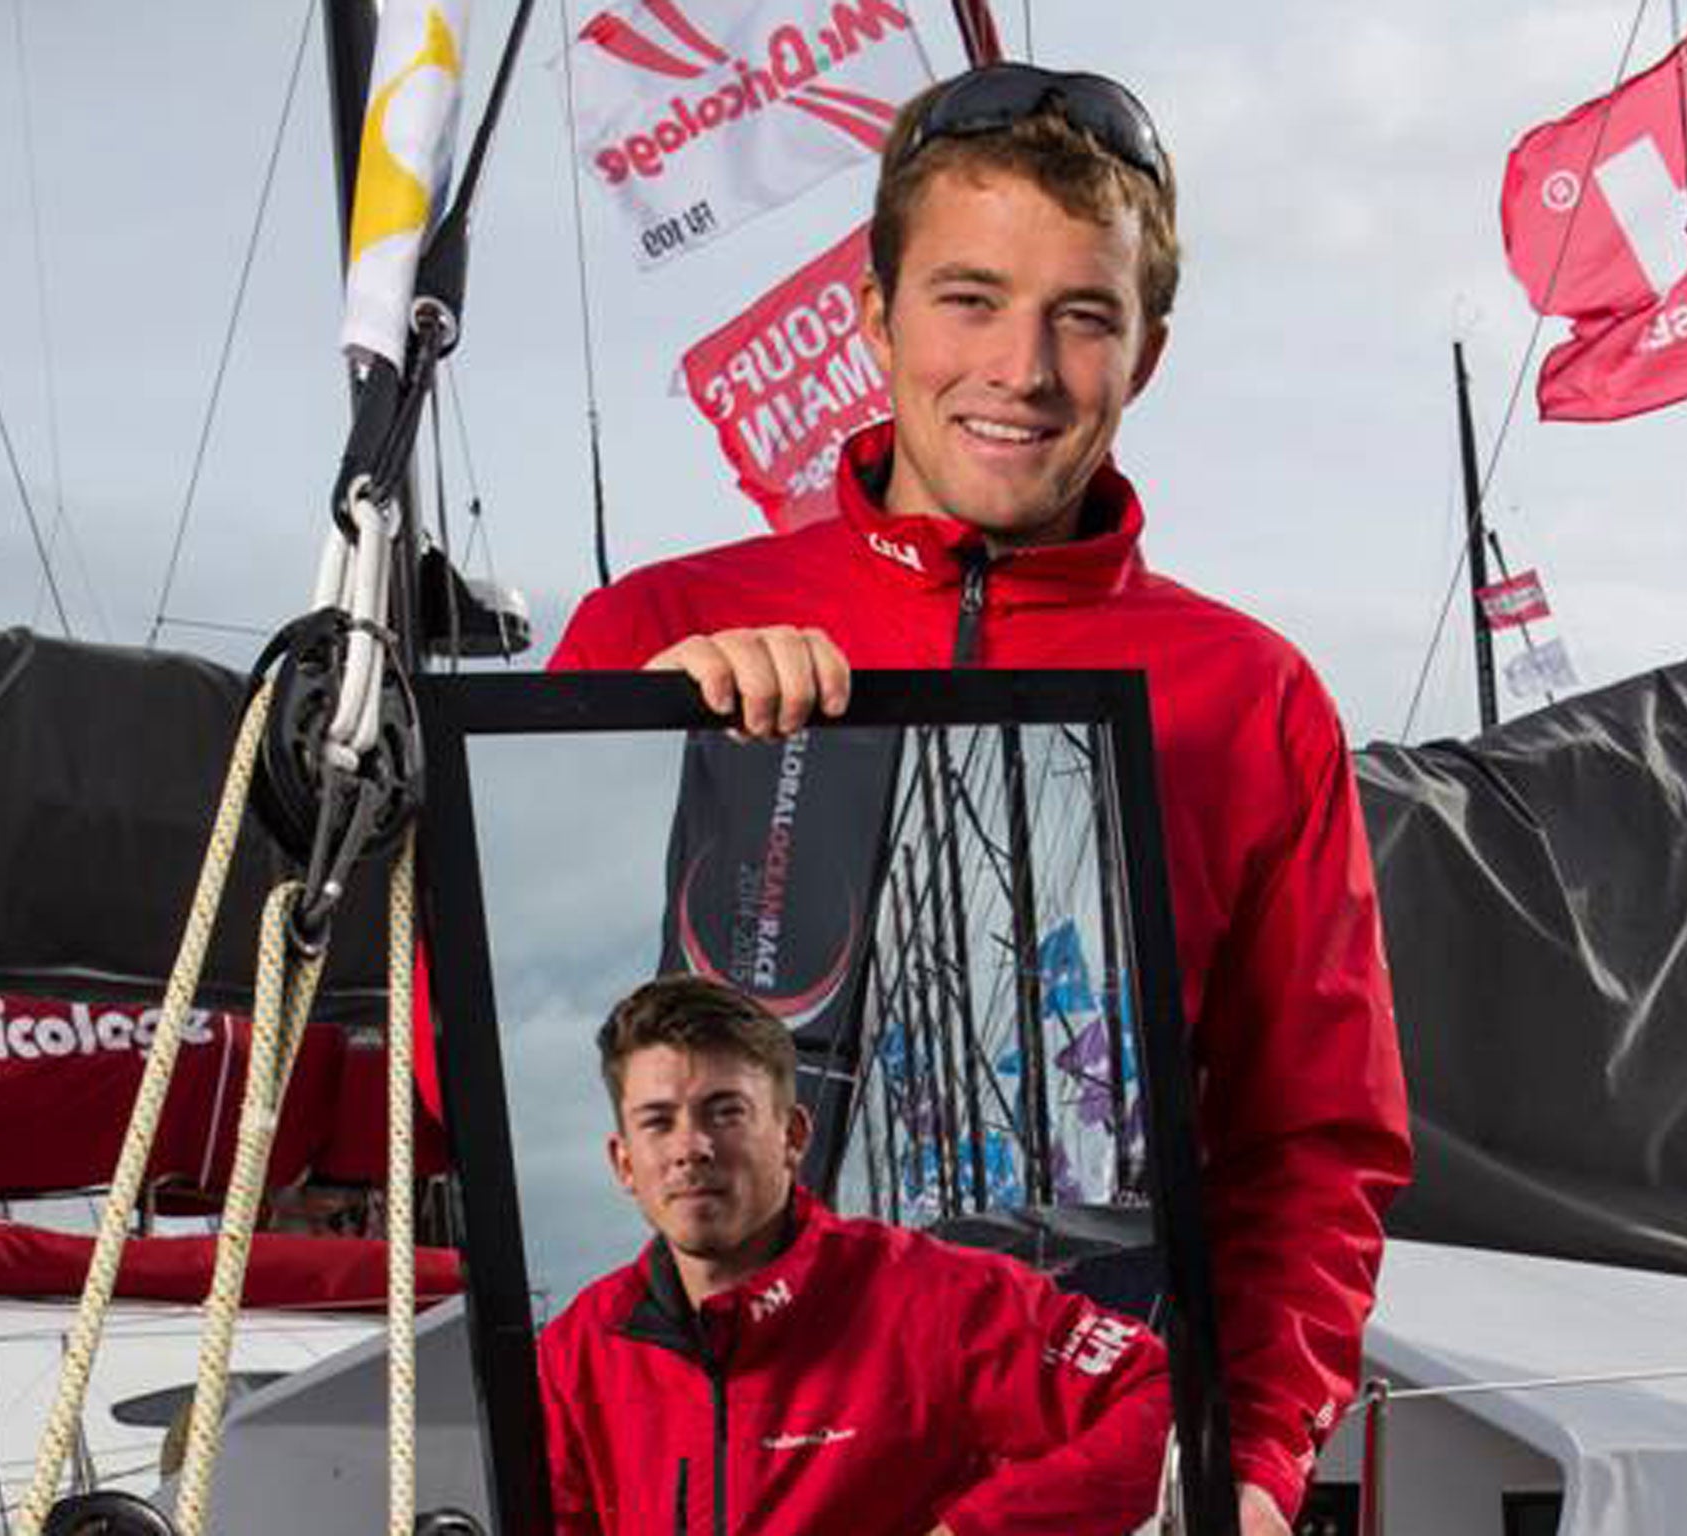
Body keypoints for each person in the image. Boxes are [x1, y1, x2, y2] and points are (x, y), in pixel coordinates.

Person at [551, 63, 1413, 1532]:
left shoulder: (1249, 695)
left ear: (1144, 353)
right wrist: (619, 756)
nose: (1020, 369)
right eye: (968, 299)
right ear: (875, 316)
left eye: (1082, 315)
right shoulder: (654, 631)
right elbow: (448, 1078)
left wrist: (1254, 1470)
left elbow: (1310, 1148)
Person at [537, 974, 1171, 1536]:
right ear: (624, 1161)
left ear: (792, 1136)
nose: (691, 1147)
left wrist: (978, 1529)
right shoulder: (575, 1356)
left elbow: (1166, 1397)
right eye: (658, 1121)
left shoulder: (931, 1298)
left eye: (725, 1112)